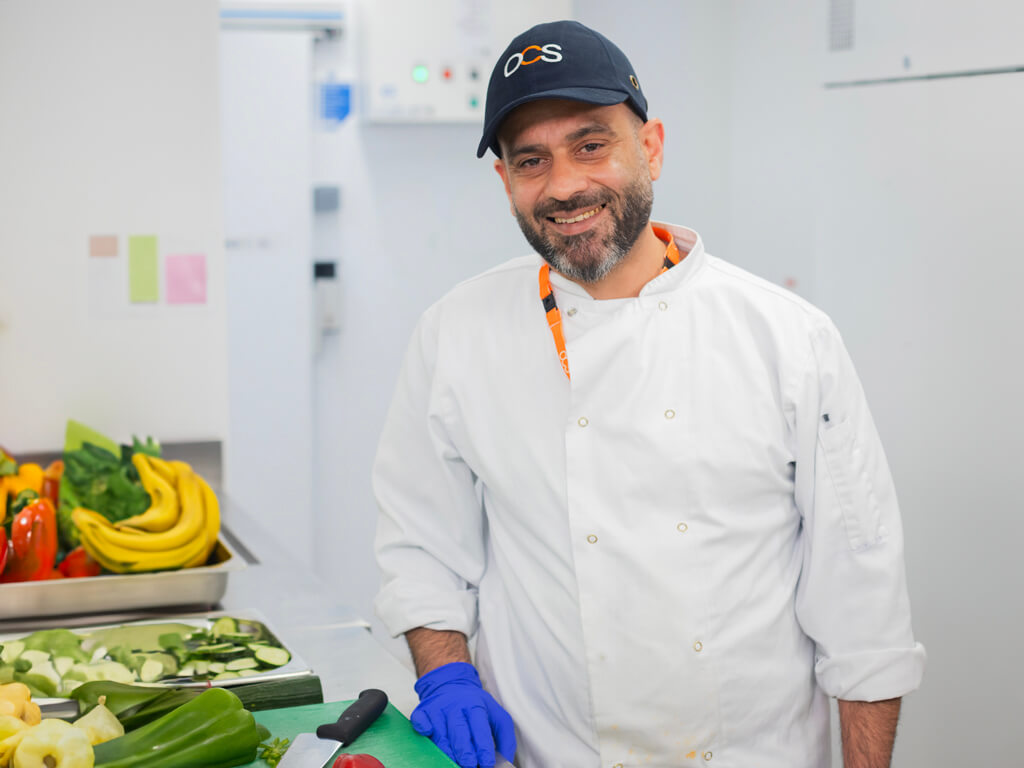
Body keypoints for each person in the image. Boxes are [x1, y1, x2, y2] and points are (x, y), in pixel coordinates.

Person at [373, 19, 925, 768]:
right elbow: (421, 544)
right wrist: (444, 673)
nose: (564, 184)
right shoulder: (456, 333)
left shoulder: (788, 340)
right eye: (531, 159)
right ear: (505, 182)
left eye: (590, 144)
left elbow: (863, 613)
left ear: (652, 147)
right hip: (546, 754)